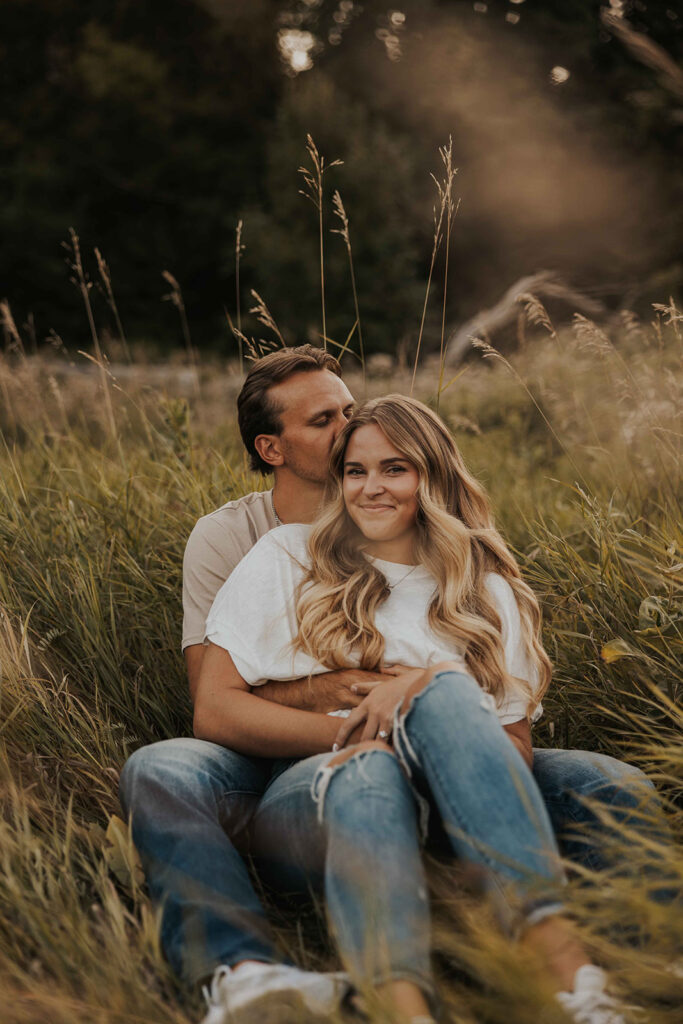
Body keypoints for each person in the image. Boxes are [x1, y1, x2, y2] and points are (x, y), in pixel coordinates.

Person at [119, 347, 663, 1024]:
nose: (365, 474)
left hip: (455, 773)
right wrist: (374, 717)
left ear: (430, 475)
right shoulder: (277, 551)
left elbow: (509, 741)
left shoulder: (486, 583)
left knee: (607, 781)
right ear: (274, 448)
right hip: (312, 774)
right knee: (305, 767)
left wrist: (430, 700)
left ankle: (629, 979)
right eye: (351, 462)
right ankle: (286, 980)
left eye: (391, 466)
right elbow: (216, 702)